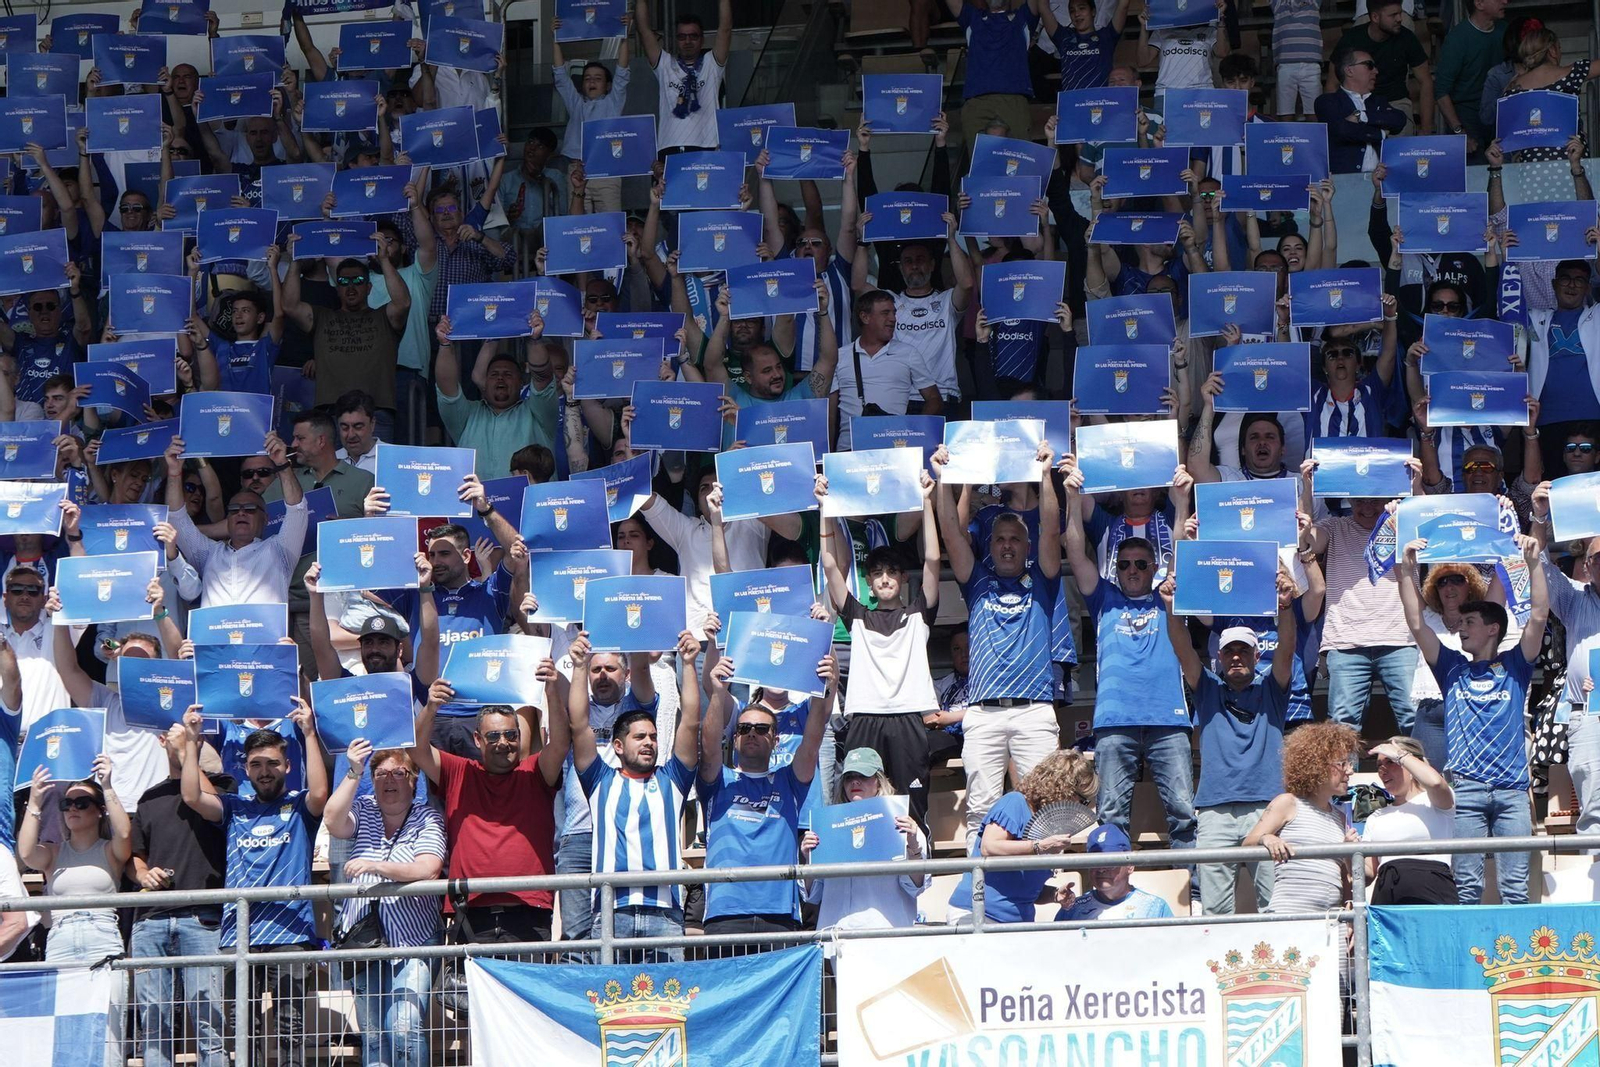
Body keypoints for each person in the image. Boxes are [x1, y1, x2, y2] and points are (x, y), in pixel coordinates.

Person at [1396, 532, 1548, 905]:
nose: (1461, 627)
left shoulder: (1515, 666)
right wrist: (1405, 570)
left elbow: (1540, 615)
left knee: (1515, 889)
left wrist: (1533, 564)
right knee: (1466, 889)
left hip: (1512, 791)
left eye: (1470, 622)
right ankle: (1469, 961)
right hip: (1466, 791)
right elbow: (1418, 625)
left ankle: (1516, 962)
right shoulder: (1450, 668)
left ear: (1493, 628)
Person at [180, 699, 329, 1067]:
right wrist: (191, 744)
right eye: (256, 764)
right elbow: (191, 796)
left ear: (287, 766)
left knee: (290, 1029)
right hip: (239, 935)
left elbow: (322, 795)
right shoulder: (233, 807)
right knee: (240, 1029)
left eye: (273, 764)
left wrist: (309, 733)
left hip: (291, 936)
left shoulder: (299, 807)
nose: (265, 771)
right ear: (244, 768)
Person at [1063, 460, 1197, 854]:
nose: (1133, 570)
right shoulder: (1103, 597)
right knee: (1110, 817)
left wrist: (1182, 500)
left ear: (1155, 566)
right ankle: (1110, 898)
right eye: (1124, 564)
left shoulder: (1170, 596)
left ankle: (1193, 898)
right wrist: (1072, 501)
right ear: (1115, 569)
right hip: (1114, 720)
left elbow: (1183, 550)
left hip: (1168, 719)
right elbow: (1074, 549)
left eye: (1141, 564)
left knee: (1184, 814)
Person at [934, 440, 1063, 843]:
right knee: (980, 812)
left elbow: (1052, 530)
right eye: (999, 539)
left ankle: (1049, 892)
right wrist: (943, 482)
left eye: (1015, 539)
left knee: (1044, 808)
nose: (1007, 544)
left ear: (1027, 547)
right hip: (983, 713)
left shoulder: (1042, 578)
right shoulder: (977, 582)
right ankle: (978, 898)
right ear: (989, 547)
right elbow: (951, 535)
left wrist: (1044, 475)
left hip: (1033, 711)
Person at [1161, 570, 1297, 916]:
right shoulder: (1207, 689)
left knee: (1276, 906)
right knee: (1215, 909)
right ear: (1219, 658)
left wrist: (1285, 608)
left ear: (1255, 656)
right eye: (1229, 652)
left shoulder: (1272, 690)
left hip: (1265, 809)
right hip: (1214, 811)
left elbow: (1287, 649)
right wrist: (1170, 606)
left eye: (1244, 651)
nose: (1236, 657)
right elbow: (1181, 647)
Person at [569, 627, 704, 962]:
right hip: (612, 914)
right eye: (639, 736)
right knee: (611, 1012)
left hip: (665, 916)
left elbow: (690, 722)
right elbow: (578, 725)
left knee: (667, 1013)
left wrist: (688, 665)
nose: (649, 742)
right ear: (617, 746)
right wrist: (578, 667)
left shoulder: (673, 780)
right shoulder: (600, 780)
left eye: (653, 737)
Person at [409, 664, 568, 945]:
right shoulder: (459, 771)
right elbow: (417, 749)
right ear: (477, 740)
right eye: (493, 736)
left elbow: (559, 745)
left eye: (511, 735)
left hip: (529, 910)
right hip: (470, 911)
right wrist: (431, 707)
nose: (503, 743)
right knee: (464, 991)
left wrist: (552, 693)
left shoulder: (535, 772)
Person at [817, 468, 941, 825]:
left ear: (903, 579)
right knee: (860, 811)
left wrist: (926, 501)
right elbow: (829, 565)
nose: (885, 578)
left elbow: (933, 560)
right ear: (869, 583)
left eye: (892, 572)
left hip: (908, 719)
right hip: (865, 717)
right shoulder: (856, 616)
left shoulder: (918, 614)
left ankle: (918, 871)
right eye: (876, 573)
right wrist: (825, 507)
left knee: (911, 809)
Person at [696, 645, 833, 947]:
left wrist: (828, 684)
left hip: (780, 915)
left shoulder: (789, 780)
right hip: (725, 914)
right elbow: (707, 747)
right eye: (744, 728)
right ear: (735, 737)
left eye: (761, 728)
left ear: (776, 738)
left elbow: (812, 739)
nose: (753, 733)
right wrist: (718, 694)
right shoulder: (720, 780)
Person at [323, 742, 447, 1067]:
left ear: (414, 779)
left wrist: (377, 867)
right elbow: (333, 821)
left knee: (404, 1027)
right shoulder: (362, 808)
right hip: (365, 942)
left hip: (413, 941)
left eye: (398, 772)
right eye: (380, 774)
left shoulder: (428, 816)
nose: (389, 780)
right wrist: (354, 772)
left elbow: (428, 868)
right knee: (375, 1037)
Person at [129, 723, 232, 1067]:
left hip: (202, 918)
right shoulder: (149, 798)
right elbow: (136, 855)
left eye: (197, 738)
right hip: (151, 918)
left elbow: (205, 802)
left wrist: (189, 750)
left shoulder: (219, 785)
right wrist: (144, 873)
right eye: (177, 736)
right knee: (154, 1026)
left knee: (210, 1024)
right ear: (160, 741)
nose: (189, 742)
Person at [18, 758, 132, 1067]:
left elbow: (124, 836)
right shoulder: (54, 852)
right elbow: (26, 853)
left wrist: (107, 786)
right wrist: (36, 802)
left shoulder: (109, 850)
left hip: (103, 938)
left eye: (82, 803)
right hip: (61, 939)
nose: (72, 809)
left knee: (108, 1031)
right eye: (67, 803)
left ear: (98, 810)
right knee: (65, 1034)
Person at [946, 749, 1099, 924]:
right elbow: (989, 846)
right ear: (1063, 788)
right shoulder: (1015, 802)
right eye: (1083, 800)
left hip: (1017, 923)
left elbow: (1024, 889)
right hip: (978, 914)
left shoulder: (1049, 827)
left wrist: (1055, 895)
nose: (1084, 806)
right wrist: (1038, 847)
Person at [161, 433, 306, 608]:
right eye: (234, 510)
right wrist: (175, 473)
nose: (241, 513)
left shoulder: (280, 551)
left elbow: (297, 509)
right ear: (227, 519)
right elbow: (177, 517)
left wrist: (282, 465)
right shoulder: (208, 554)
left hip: (263, 636)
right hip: (213, 635)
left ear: (265, 519)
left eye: (250, 509)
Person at [281, 251, 410, 440]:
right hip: (330, 414)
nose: (350, 286)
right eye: (343, 282)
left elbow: (403, 303)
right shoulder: (322, 317)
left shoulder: (384, 317)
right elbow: (290, 306)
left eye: (357, 280)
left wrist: (383, 260)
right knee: (333, 470)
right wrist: (294, 261)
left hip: (375, 414)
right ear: (337, 288)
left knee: (374, 470)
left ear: (369, 287)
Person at [799, 748, 930, 933]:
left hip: (885, 932)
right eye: (849, 776)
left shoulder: (902, 823)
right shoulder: (826, 825)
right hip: (837, 933)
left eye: (864, 775)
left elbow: (916, 887)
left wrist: (914, 848)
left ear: (879, 781)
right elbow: (812, 894)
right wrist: (809, 861)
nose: (855, 781)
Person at [1245, 721, 1359, 916]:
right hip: (1290, 917)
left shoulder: (1340, 817)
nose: (1350, 771)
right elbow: (1248, 845)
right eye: (1342, 764)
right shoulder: (1288, 803)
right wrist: (1267, 838)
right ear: (1318, 766)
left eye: (1350, 763)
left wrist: (1349, 912)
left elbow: (1343, 875)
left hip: (1331, 922)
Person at [831, 289, 944, 448]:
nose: (893, 319)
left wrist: (910, 432)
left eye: (894, 313)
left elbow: (935, 400)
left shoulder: (908, 353)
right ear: (865, 317)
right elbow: (829, 413)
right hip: (849, 449)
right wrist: (825, 456)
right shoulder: (840, 356)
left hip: (893, 448)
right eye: (885, 313)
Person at [1361, 736, 1458, 905]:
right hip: (1387, 895)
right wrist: (1349, 855)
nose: (1383, 770)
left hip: (1433, 889)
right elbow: (1369, 872)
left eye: (1390, 761)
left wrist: (1400, 754)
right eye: (1379, 765)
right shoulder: (1375, 817)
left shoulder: (1433, 801)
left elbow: (1435, 783)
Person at [551, 22, 632, 213]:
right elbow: (561, 76)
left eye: (597, 78)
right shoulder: (576, 103)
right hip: (578, 169)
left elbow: (622, 72)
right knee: (579, 225)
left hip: (607, 170)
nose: (591, 81)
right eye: (587, 78)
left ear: (608, 85)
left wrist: (624, 37)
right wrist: (555, 38)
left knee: (611, 224)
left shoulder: (613, 102)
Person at [636, 0, 732, 154]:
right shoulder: (665, 65)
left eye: (693, 36)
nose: (687, 41)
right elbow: (644, 30)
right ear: (676, 40)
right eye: (682, 37)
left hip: (707, 146)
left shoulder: (711, 64)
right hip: (670, 146)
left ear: (702, 39)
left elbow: (725, 30)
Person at [945, 0, 1037, 145]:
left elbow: (1039, 4)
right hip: (976, 104)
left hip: (1014, 102)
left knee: (1020, 163)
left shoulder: (1022, 17)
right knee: (979, 165)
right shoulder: (972, 17)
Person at [1336, 0, 1435, 133]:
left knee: (1401, 142)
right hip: (1358, 104)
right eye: (1393, 15)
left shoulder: (1407, 38)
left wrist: (1426, 130)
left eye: (1400, 13)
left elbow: (1426, 81)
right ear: (1375, 17)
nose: (1400, 19)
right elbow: (1333, 83)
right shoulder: (1352, 38)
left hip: (1396, 103)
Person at [1317, 47, 1409, 175]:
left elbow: (1399, 120)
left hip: (1380, 179)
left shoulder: (1378, 101)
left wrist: (1361, 116)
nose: (1376, 71)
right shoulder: (1328, 101)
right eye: (1369, 65)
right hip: (1345, 181)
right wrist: (1381, 133)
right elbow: (1342, 131)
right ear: (1349, 70)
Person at [1055, 824, 1175, 921]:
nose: (1101, 869)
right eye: (1095, 861)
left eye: (1110, 862)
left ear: (1130, 865)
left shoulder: (1155, 908)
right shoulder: (1072, 909)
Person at [1435, 0, 1508, 154]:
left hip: (1501, 113)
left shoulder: (1506, 31)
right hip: (1468, 118)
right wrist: (1459, 132)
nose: (1505, 1)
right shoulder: (1457, 39)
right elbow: (1441, 91)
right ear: (1479, 3)